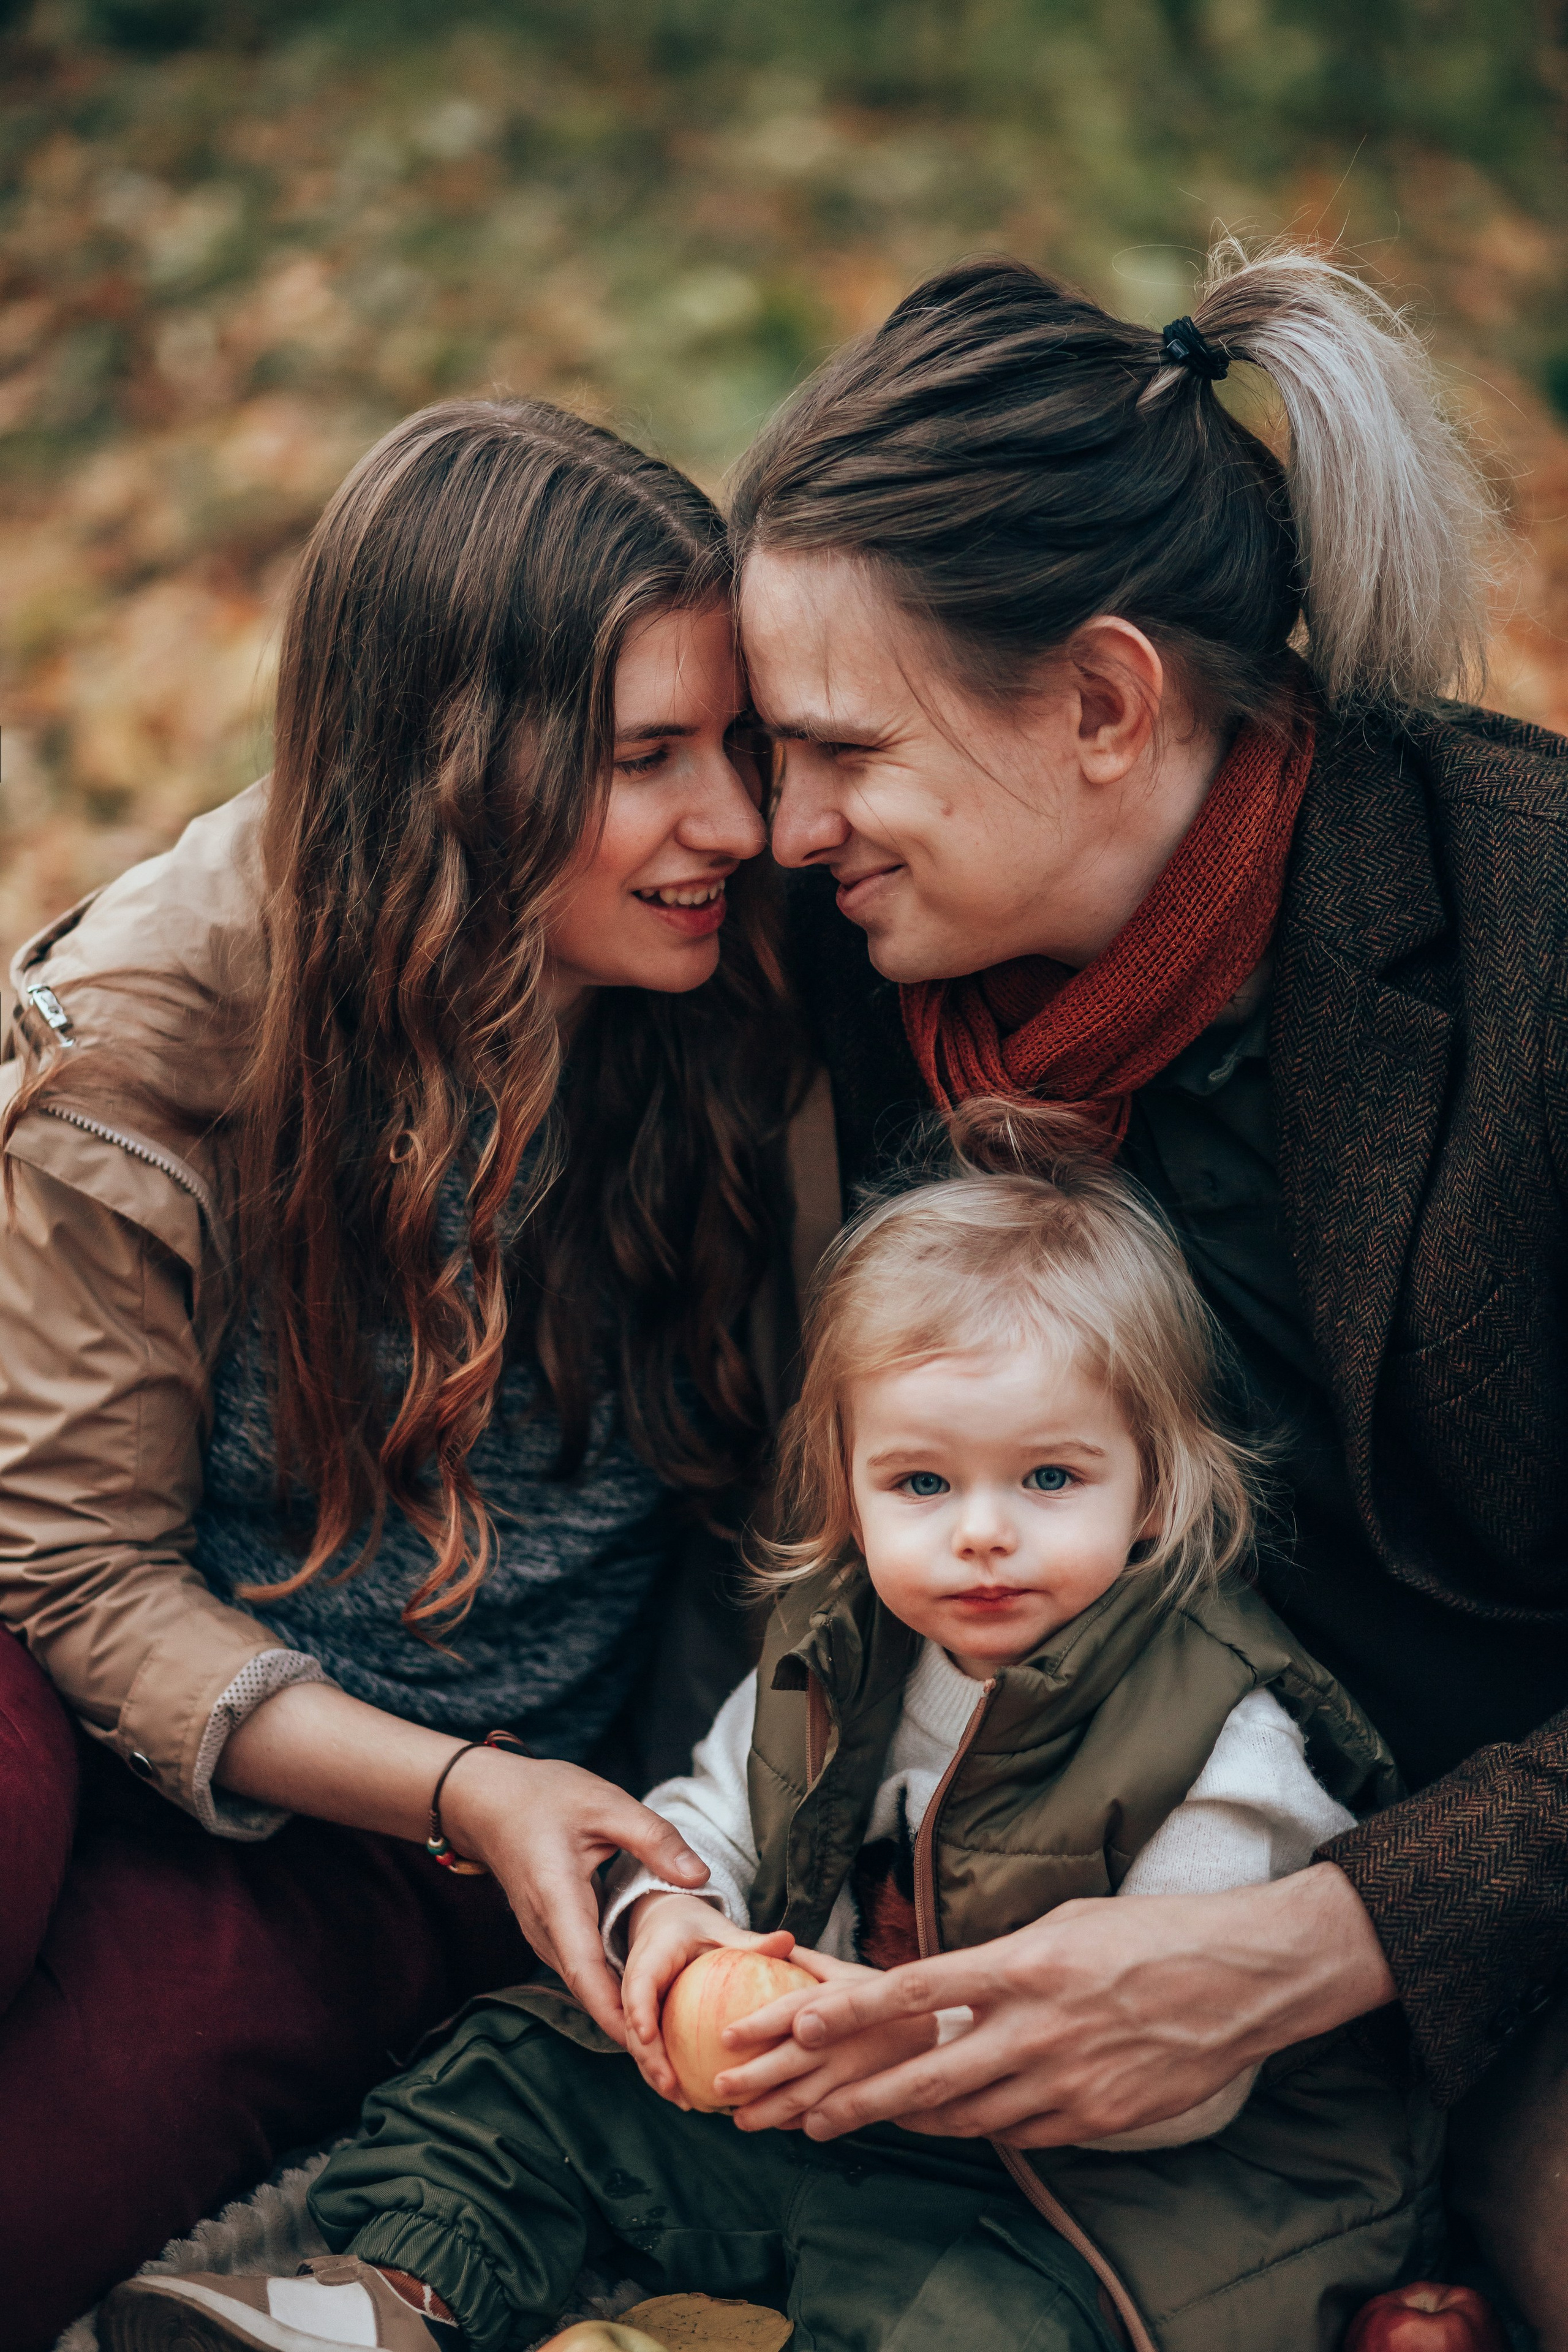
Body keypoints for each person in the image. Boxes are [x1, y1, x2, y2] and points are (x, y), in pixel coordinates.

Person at [723, 236, 1568, 2337]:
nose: (778, 821)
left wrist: (1315, 1947)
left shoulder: (1523, 935)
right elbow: (387, 826)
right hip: (1011, 1875)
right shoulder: (840, 966)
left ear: (1105, 703)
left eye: (841, 752)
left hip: (1496, 1906)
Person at [104, 1105, 1443, 2352]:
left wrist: (891, 2038)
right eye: (921, 1481)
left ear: (1153, 1487)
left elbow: (1181, 2075)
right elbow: (705, 1819)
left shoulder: (1225, 1736)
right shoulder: (836, 1653)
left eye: (1048, 1477)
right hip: (830, 2117)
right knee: (516, 2068)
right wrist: (666, 1926)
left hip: (1101, 2197)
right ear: (848, 1489)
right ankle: (388, 2303)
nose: (981, 1530)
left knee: (989, 2325)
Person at [0, 397, 812, 2346]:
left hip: (403, 1843)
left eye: (740, 747)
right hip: (79, 1687)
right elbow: (80, 1572)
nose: (738, 823)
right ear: (458, 771)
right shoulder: (146, 1041)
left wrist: (509, 1808)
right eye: (648, 762)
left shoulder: (759, 994)